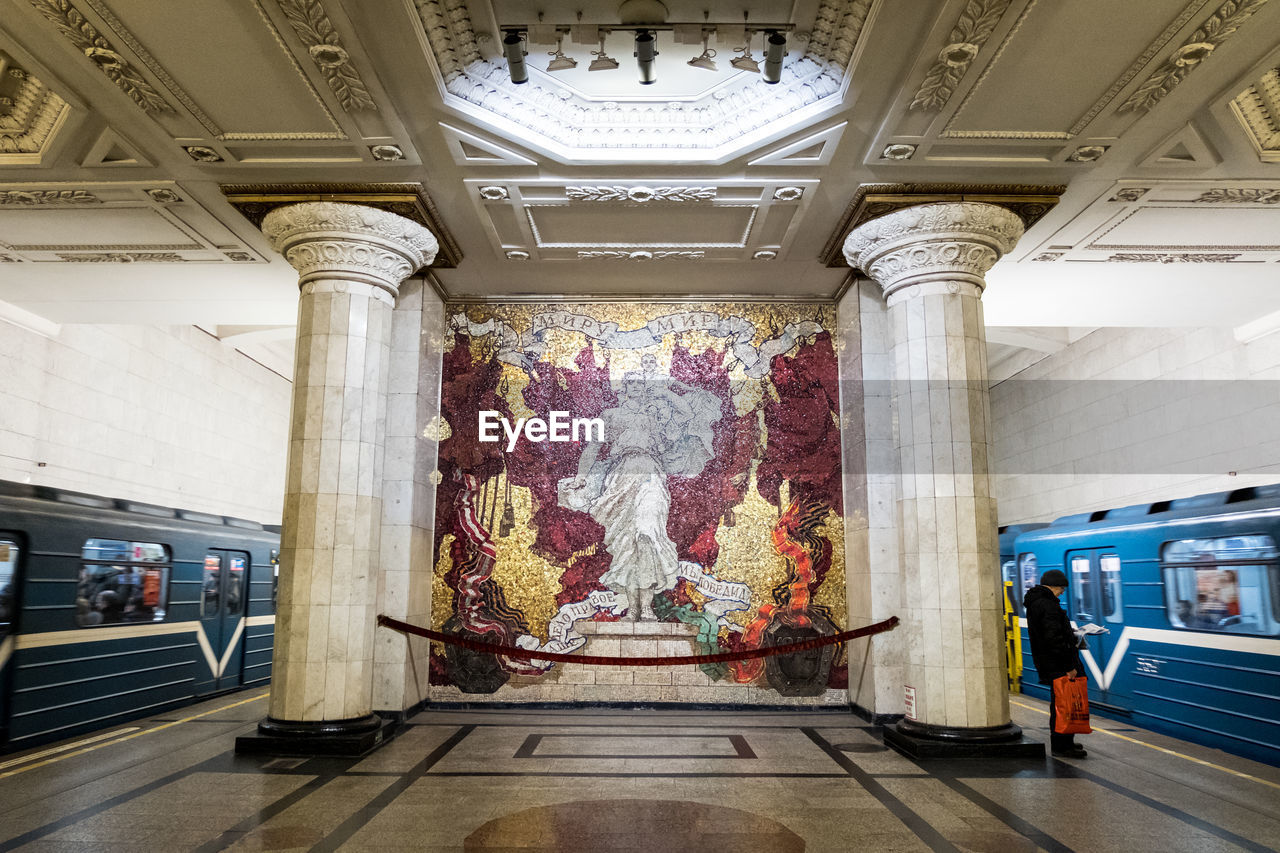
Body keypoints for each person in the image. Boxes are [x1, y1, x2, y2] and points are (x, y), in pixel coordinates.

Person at [558, 356, 720, 621]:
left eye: (640, 383)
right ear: (623, 387)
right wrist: (580, 477)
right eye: (631, 382)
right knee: (627, 543)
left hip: (651, 473)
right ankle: (636, 608)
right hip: (621, 475)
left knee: (648, 533)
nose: (636, 386)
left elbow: (686, 414)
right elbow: (592, 448)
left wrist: (665, 391)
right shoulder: (610, 416)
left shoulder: (655, 414)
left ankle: (646, 605)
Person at [1023, 568, 1087, 758]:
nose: (1062, 592)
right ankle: (1062, 745)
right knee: (1063, 704)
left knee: (1060, 703)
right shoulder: (1048, 605)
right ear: (1054, 587)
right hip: (1058, 664)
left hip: (1049, 662)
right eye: (1061, 589)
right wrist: (1069, 666)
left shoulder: (1036, 603)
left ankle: (1064, 742)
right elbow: (1053, 638)